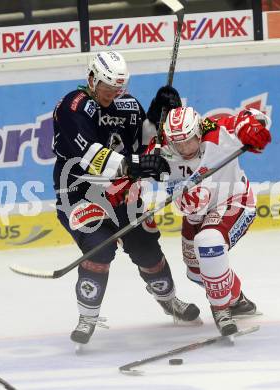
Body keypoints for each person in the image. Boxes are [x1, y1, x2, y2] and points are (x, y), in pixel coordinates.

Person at [52, 51, 200, 345]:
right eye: (107, 88)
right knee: (99, 250)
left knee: (147, 250)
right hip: (80, 195)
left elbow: (144, 138)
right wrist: (133, 165)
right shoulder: (73, 107)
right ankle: (88, 316)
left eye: (118, 88)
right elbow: (89, 155)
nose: (112, 94)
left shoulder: (127, 103)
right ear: (91, 79)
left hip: (123, 195)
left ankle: (169, 300)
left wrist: (160, 111)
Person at [145, 106, 271, 336]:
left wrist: (252, 129)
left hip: (231, 201)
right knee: (195, 271)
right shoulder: (162, 149)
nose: (184, 148)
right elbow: (136, 165)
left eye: (189, 141)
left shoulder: (219, 133)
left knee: (208, 243)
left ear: (199, 131)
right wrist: (145, 165)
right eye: (178, 143)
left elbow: (257, 119)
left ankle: (221, 310)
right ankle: (235, 299)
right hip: (195, 213)